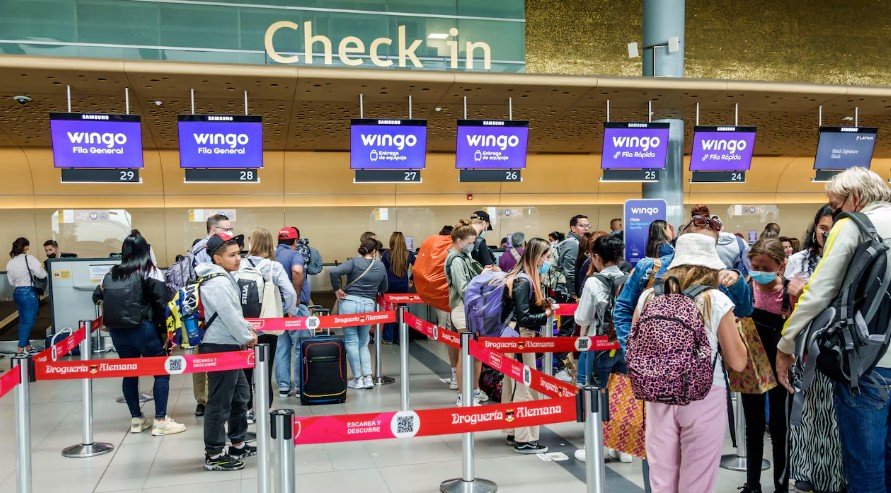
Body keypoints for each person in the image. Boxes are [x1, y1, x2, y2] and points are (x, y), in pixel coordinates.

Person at [777, 167, 891, 492]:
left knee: (866, 469)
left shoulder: (854, 225)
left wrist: (786, 344)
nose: (835, 212)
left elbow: (819, 291)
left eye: (836, 204)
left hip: (867, 365)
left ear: (855, 198)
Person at [636, 232, 748, 492]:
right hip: (705, 394)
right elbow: (738, 362)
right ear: (712, 267)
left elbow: (636, 346)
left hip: (658, 395)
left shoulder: (649, 298)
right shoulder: (715, 300)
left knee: (661, 479)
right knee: (697, 481)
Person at [775, 204, 841, 493]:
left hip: (833, 346)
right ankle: (802, 471)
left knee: (829, 414)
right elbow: (786, 304)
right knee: (802, 412)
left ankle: (829, 475)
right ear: (814, 228)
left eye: (831, 228)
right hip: (801, 342)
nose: (825, 234)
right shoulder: (799, 259)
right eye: (822, 228)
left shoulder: (844, 257)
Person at [92, 233, 186, 436]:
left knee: (130, 371)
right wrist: (167, 333)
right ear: (146, 250)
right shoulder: (150, 271)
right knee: (161, 371)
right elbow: (162, 304)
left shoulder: (111, 272)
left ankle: (136, 419)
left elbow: (96, 296)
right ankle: (160, 421)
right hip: (144, 329)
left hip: (118, 332)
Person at [198, 233, 259, 472]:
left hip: (230, 345)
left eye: (239, 254)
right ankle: (213, 454)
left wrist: (244, 332)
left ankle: (237, 443)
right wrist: (247, 336)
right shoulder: (218, 282)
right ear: (217, 258)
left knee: (239, 396)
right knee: (219, 402)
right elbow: (230, 316)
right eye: (232, 255)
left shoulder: (224, 277)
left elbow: (234, 314)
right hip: (220, 346)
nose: (238, 259)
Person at [738, 238, 791, 493]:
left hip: (782, 361)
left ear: (780, 266)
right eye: (754, 264)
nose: (758, 271)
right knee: (753, 425)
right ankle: (752, 483)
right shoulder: (746, 288)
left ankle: (781, 485)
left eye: (765, 266)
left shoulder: (790, 293)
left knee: (780, 426)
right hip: (751, 361)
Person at [573, 234, 632, 463]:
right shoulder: (629, 279)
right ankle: (623, 449)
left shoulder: (593, 282)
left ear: (596, 257)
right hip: (624, 346)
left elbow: (582, 318)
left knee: (595, 396)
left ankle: (594, 449)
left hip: (598, 347)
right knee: (622, 395)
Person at [502, 237, 553, 454]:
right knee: (526, 386)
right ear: (537, 256)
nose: (548, 261)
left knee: (514, 384)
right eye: (547, 256)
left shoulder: (519, 277)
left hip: (514, 335)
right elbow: (525, 317)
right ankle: (525, 438)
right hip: (523, 337)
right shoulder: (524, 281)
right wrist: (547, 314)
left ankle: (515, 432)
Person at [240, 228, 297, 422]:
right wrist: (288, 310)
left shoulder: (240, 265)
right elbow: (290, 293)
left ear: (252, 243)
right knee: (266, 366)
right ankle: (265, 407)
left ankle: (246, 409)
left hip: (245, 326)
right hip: (268, 325)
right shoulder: (274, 267)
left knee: (245, 368)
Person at [329, 238, 389, 389]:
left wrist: (337, 289)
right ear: (375, 251)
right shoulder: (380, 266)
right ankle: (368, 377)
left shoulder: (354, 262)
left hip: (349, 304)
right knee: (363, 342)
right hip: (368, 305)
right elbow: (384, 288)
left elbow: (334, 272)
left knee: (351, 342)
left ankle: (358, 379)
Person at [191, 214, 234, 416]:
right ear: (214, 229)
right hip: (208, 309)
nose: (230, 232)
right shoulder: (206, 249)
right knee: (207, 358)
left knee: (200, 358)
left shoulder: (197, 248)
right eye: (226, 228)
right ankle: (208, 401)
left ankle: (202, 400)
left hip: (200, 311)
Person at [446, 219, 487, 405]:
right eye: (470, 242)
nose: (472, 246)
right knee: (466, 351)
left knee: (475, 351)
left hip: (470, 308)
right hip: (463, 309)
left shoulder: (464, 257)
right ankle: (463, 396)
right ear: (460, 241)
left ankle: (475, 390)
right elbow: (463, 288)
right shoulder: (455, 260)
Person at [274, 226, 311, 399]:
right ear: (295, 241)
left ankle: (283, 386)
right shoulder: (295, 254)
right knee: (301, 345)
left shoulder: (273, 255)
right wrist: (295, 297)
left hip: (276, 308)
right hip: (295, 307)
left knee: (282, 347)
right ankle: (300, 385)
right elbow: (297, 271)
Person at [6, 237, 46, 355]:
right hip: (28, 293)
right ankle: (20, 349)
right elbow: (41, 274)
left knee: (23, 320)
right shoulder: (29, 258)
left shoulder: (11, 262)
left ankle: (28, 347)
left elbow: (11, 282)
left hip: (17, 292)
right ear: (26, 247)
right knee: (29, 321)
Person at [381, 232, 416, 344]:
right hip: (402, 286)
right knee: (402, 312)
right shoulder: (409, 254)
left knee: (390, 312)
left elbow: (382, 271)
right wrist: (411, 278)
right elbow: (418, 268)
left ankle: (388, 337)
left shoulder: (386, 254)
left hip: (389, 287)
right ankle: (401, 337)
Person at [556, 214, 591, 301]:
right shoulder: (573, 244)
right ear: (573, 228)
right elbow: (570, 272)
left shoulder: (576, 242)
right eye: (582, 226)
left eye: (587, 225)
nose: (586, 228)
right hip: (568, 292)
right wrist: (574, 294)